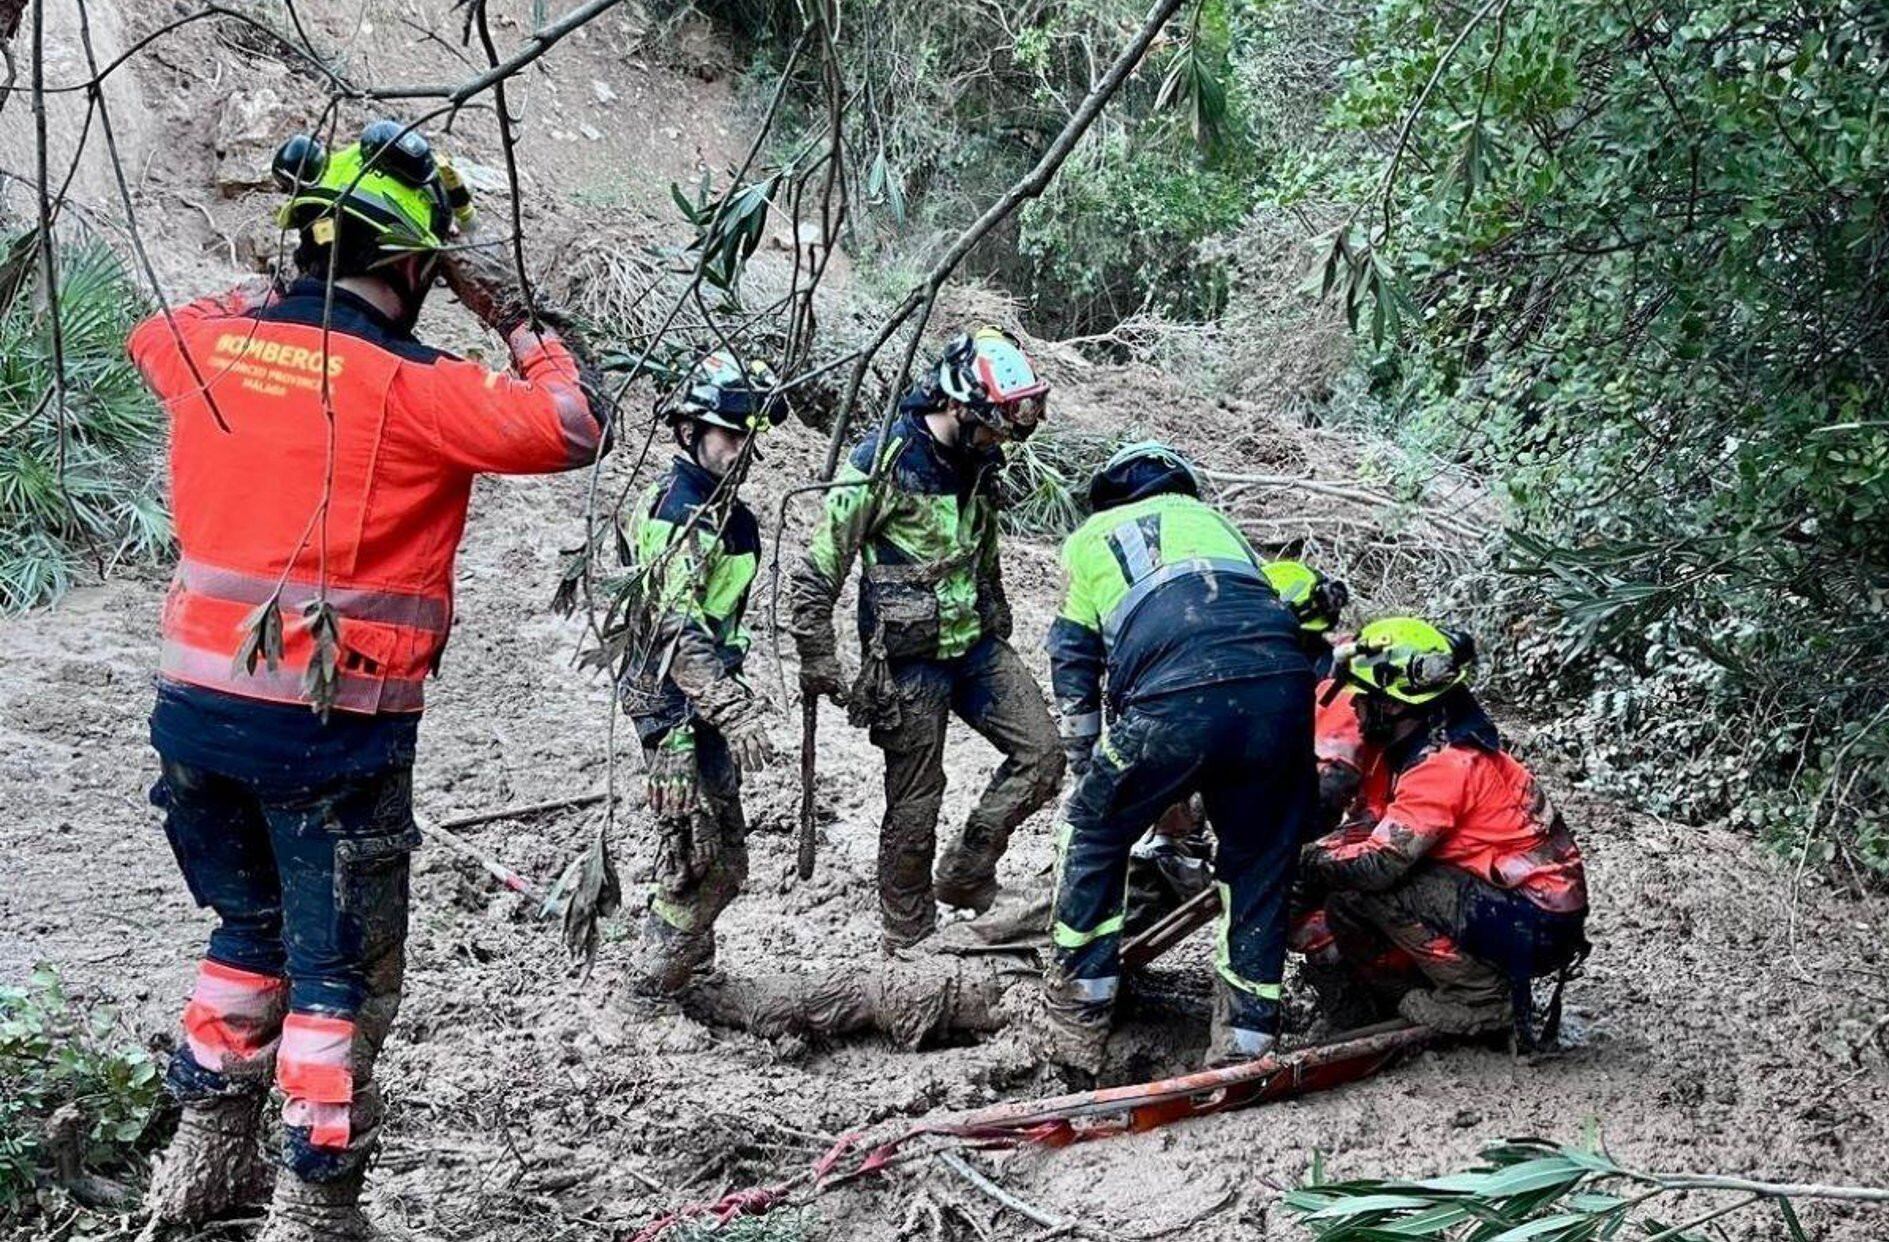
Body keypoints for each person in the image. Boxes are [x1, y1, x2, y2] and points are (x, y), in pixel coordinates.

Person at [128, 121, 608, 1241]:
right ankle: (317, 1209)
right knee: (338, 981)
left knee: (245, 939)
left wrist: (281, 282)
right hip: (331, 741)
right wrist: (515, 320)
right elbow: (574, 421)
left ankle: (206, 1160)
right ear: (415, 266)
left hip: (193, 724)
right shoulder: (411, 384)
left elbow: (163, 323)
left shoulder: (204, 351)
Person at [1040, 442, 1315, 1070]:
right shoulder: (1221, 528)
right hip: (1281, 693)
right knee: (1261, 861)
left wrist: (1089, 766)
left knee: (1092, 836)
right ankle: (1246, 1040)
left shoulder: (1091, 538)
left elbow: (1074, 656)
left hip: (1174, 700)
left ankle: (1079, 1011)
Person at [788, 326, 1064, 948]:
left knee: (1044, 756)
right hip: (907, 661)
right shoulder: (881, 461)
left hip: (975, 646)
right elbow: (819, 567)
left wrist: (997, 617)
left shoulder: (979, 459)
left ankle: (966, 873)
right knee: (915, 804)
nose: (999, 439)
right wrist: (817, 654)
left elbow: (984, 548)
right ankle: (907, 935)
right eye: (991, 425)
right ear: (957, 407)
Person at [1299, 618, 1590, 1041]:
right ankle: (1416, 984)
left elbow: (1379, 862)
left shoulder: (1446, 763)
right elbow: (1367, 822)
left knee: (1372, 890)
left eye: (1363, 698)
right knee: (1348, 896)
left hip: (1535, 920)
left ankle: (1482, 999)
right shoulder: (1410, 747)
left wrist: (1304, 859)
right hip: (1512, 901)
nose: (1355, 709)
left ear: (1395, 703)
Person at [618, 351, 785, 995]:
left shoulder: (734, 518)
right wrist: (729, 705)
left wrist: (728, 688)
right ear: (691, 431)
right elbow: (671, 626)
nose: (741, 449)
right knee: (700, 858)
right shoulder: (674, 509)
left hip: (705, 697)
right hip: (670, 706)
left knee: (712, 846)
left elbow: (720, 623)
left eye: (749, 437)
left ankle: (689, 968)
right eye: (729, 434)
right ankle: (652, 985)